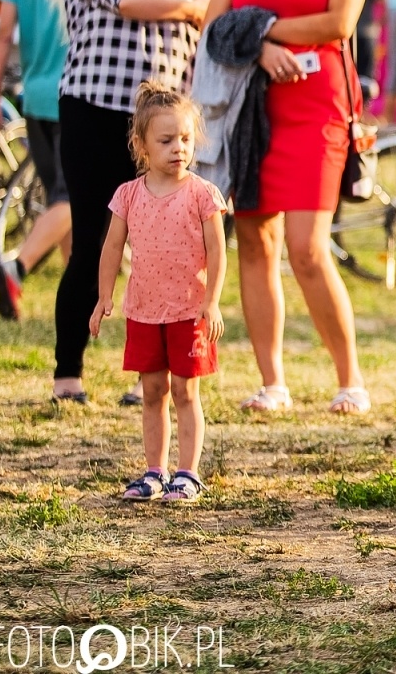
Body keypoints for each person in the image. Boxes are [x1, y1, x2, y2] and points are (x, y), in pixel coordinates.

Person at [204, 0, 368, 415]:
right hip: (253, 114)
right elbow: (216, 28)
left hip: (316, 109)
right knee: (255, 242)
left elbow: (339, 20)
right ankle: (273, 382)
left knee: (307, 249)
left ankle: (350, 379)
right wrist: (258, 46)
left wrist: (265, 32)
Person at [51, 0, 212, 403]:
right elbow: (127, 0)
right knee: (95, 240)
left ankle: (149, 373)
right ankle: (68, 370)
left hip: (164, 123)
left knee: (164, 249)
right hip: (96, 111)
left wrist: (196, 6)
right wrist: (191, 8)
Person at [90, 84, 226, 502]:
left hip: (189, 312)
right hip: (145, 312)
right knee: (152, 392)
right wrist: (103, 296)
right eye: (166, 141)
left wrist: (212, 301)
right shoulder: (127, 196)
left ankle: (187, 473)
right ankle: (154, 470)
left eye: (185, 139)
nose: (178, 149)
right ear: (142, 145)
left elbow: (217, 249)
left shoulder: (202, 194)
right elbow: (112, 246)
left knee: (186, 392)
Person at [0, 0, 75, 318]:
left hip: (34, 97)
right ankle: (17, 266)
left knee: (60, 197)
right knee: (71, 197)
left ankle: (78, 299)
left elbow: (3, 38)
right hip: (77, 97)